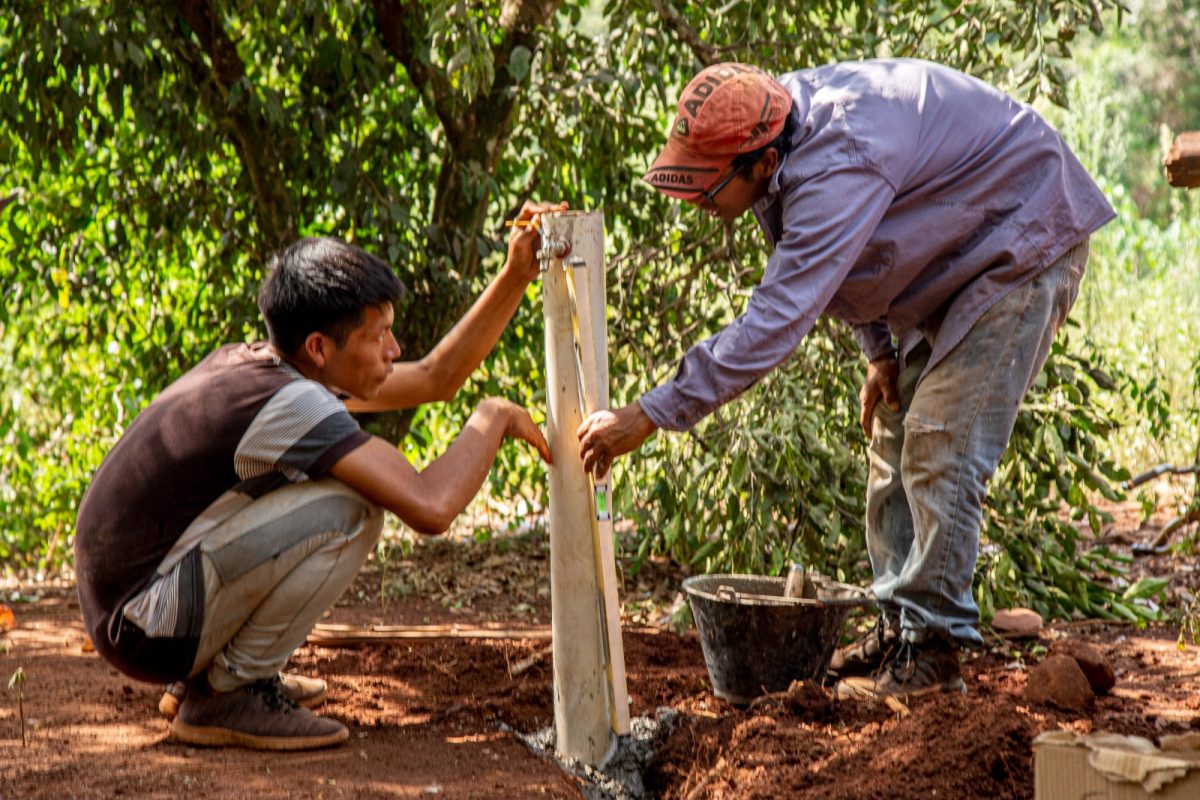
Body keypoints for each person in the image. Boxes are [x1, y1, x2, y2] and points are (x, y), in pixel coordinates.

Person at [576, 60, 1114, 697]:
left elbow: (776, 321)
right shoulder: (777, 126)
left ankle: (932, 655)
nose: (699, 200)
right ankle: (900, 626)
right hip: (958, 253)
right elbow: (847, 259)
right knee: (893, 426)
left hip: (1021, 238)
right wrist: (880, 351)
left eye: (707, 186)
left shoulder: (839, 163)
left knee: (943, 440)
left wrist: (650, 413)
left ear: (760, 166)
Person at [74, 201, 564, 750]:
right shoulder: (292, 404)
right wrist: (493, 417)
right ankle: (228, 692)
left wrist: (515, 273)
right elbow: (430, 507)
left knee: (321, 485)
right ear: (319, 347)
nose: (394, 350)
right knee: (351, 510)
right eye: (377, 336)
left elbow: (435, 377)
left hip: (138, 611)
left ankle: (212, 675)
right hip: (145, 627)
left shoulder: (262, 367)